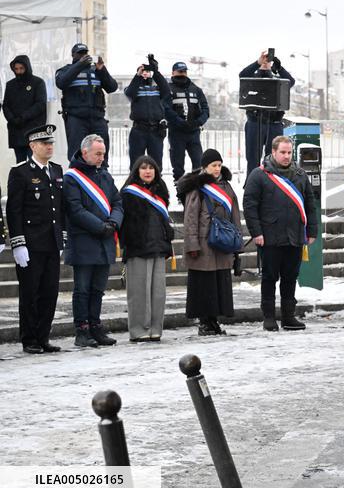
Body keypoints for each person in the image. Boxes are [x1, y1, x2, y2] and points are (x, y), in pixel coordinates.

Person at [243, 135, 318, 331]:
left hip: (294, 236)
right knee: (269, 278)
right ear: (273, 152)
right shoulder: (259, 175)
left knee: (290, 278)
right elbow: (250, 206)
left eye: (289, 152)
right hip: (270, 237)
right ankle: (268, 317)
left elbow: (310, 204)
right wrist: (256, 232)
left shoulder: (300, 175)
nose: (286, 156)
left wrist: (312, 230)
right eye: (283, 152)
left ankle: (288, 317)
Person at [63, 134, 123, 348]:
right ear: (85, 152)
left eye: (103, 154)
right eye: (98, 154)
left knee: (98, 288)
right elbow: (75, 210)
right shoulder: (72, 178)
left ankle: (95, 326)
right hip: (84, 242)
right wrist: (100, 227)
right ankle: (82, 329)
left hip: (105, 241)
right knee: (82, 289)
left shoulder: (105, 176)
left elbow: (117, 202)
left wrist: (113, 223)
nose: (101, 158)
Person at [7, 125, 60, 354]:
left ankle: (43, 336)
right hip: (31, 244)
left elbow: (59, 208)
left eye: (51, 143)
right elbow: (14, 211)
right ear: (32, 146)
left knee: (49, 292)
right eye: (44, 143)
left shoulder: (56, 170)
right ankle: (29, 338)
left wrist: (61, 238)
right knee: (30, 293)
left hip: (51, 243)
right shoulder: (20, 172)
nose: (49, 147)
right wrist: (18, 243)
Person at [177, 149, 240, 336]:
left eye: (219, 165)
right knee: (204, 285)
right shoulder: (197, 187)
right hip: (204, 243)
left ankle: (214, 321)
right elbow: (191, 218)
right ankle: (205, 322)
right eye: (214, 165)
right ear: (205, 167)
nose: (217, 168)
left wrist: (237, 241)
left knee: (219, 285)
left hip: (223, 241)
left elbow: (235, 214)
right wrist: (192, 245)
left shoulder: (227, 186)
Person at [119, 155, 174, 342]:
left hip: (158, 247)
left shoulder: (161, 191)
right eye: (143, 168)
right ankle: (138, 330)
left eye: (151, 168)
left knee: (158, 293)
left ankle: (156, 328)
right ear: (137, 171)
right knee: (139, 293)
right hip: (138, 248)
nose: (148, 171)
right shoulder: (128, 193)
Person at [55, 43, 118, 164]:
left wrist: (102, 69)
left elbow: (112, 87)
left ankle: (101, 172)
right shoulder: (66, 70)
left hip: (97, 118)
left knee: (101, 151)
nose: (83, 56)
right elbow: (61, 83)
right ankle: (77, 173)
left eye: (85, 53)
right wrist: (79, 65)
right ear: (73, 55)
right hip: (76, 118)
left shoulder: (96, 71)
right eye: (80, 54)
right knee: (76, 153)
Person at [240, 50, 295, 172]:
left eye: (268, 59)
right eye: (264, 59)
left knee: (274, 159)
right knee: (253, 158)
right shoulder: (252, 78)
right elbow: (242, 75)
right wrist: (257, 63)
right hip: (255, 122)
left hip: (274, 123)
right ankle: (252, 180)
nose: (266, 62)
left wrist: (279, 68)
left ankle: (271, 180)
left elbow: (290, 81)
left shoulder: (278, 80)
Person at [164, 61, 210, 181]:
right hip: (176, 133)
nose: (182, 74)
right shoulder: (168, 89)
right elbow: (166, 109)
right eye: (179, 71)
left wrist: (198, 122)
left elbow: (205, 109)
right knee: (178, 166)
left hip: (194, 132)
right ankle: (180, 189)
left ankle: (197, 188)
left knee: (198, 164)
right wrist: (178, 121)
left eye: (184, 71)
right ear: (173, 73)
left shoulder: (196, 89)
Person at [124, 55, 170, 168]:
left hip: (156, 131)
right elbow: (129, 93)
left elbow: (166, 90)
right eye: (142, 71)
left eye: (147, 71)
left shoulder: (157, 89)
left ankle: (156, 180)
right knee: (135, 163)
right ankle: (135, 179)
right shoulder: (133, 88)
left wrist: (156, 71)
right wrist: (137, 76)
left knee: (156, 164)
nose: (145, 73)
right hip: (139, 130)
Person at [3, 55, 48, 163]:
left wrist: (23, 117)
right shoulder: (10, 85)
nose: (19, 72)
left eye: (21, 68)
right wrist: (12, 119)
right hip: (16, 130)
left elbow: (40, 104)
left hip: (33, 129)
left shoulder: (38, 82)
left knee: (35, 162)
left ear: (27, 67)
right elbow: (5, 105)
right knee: (20, 163)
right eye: (16, 69)